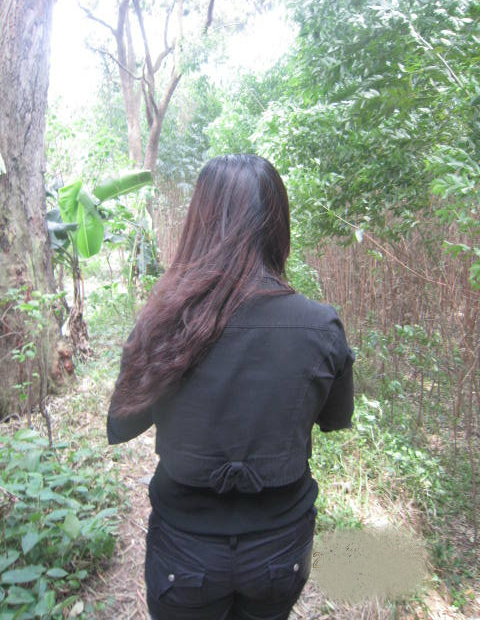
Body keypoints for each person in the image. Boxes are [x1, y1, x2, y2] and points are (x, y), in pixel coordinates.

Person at [106, 154, 355, 620]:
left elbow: (121, 423)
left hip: (186, 554)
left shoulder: (164, 322)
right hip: (279, 551)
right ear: (278, 227)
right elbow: (336, 418)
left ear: (198, 224)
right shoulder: (320, 327)